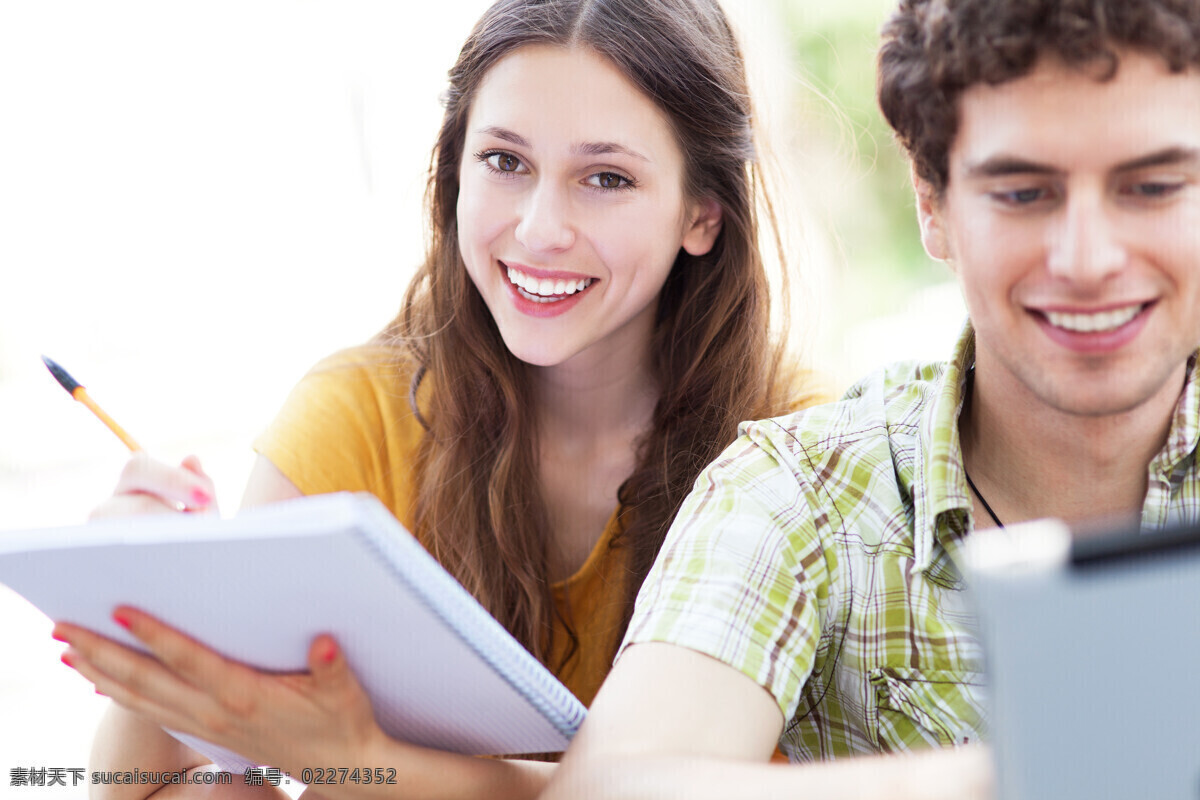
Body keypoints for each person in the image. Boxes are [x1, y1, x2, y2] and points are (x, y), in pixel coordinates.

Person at [51, 0, 822, 798]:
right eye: (504, 162)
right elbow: (142, 787)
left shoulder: (801, 453)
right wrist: (153, 602)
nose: (539, 228)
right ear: (453, 168)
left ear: (703, 212)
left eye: (606, 178)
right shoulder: (359, 415)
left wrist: (352, 756)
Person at [542, 0, 1200, 797]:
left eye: (1154, 186)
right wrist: (1033, 769)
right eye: (1023, 193)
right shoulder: (800, 494)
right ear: (933, 207)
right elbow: (610, 788)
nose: (1088, 258)